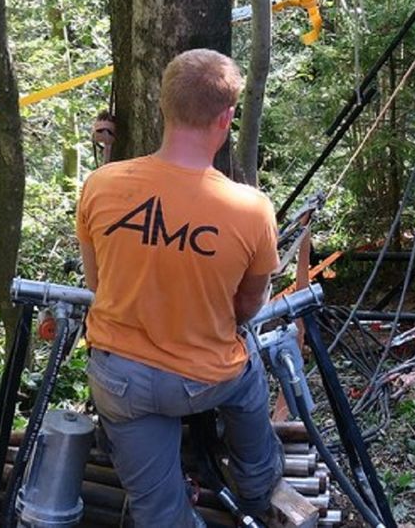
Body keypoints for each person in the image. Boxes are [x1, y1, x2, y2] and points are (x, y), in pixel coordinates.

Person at [76, 49, 283, 526]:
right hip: (205, 379)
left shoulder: (101, 185)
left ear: (161, 106)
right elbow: (248, 307)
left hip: (120, 380)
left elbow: (98, 284)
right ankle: (255, 487)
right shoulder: (251, 209)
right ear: (227, 117)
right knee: (247, 373)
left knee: (158, 512)